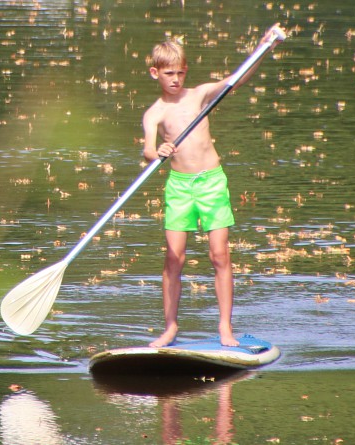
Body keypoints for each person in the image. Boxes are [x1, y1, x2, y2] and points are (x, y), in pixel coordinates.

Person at [142, 25, 282, 348]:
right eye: (168, 73)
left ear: (185, 71)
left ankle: (225, 328)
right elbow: (149, 149)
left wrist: (263, 47)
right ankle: (170, 328)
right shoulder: (155, 113)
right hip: (179, 187)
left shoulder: (200, 95)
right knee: (173, 258)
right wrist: (157, 152)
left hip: (212, 183)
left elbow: (237, 79)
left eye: (180, 72)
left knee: (220, 255)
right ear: (155, 73)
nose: (175, 79)